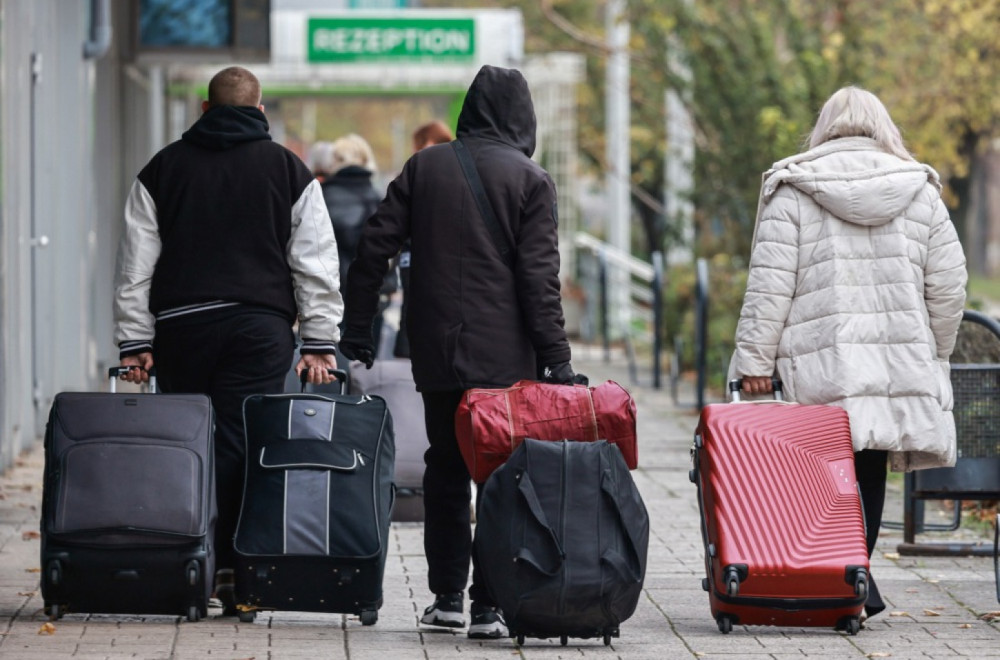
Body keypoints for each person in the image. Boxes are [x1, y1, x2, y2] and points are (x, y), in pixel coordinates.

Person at [338, 65, 585, 639]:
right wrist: (558, 360)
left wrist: (356, 328)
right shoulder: (531, 180)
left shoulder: (425, 167)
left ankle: (446, 597)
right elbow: (538, 282)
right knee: (502, 477)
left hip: (438, 355)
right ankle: (489, 605)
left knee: (445, 469)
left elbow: (374, 246)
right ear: (524, 118)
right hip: (506, 365)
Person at [729, 86, 968, 623]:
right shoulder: (920, 191)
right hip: (892, 364)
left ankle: (832, 578)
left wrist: (753, 367)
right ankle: (855, 582)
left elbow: (769, 291)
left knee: (817, 470)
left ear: (824, 128)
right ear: (885, 128)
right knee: (869, 465)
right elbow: (951, 288)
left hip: (818, 364)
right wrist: (933, 353)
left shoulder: (793, 189)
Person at [113, 65, 343, 613]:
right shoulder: (289, 169)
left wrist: (133, 342)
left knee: (189, 442)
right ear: (260, 112)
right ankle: (238, 573)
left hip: (182, 327)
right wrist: (318, 340)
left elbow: (135, 268)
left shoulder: (162, 169)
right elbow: (314, 263)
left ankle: (189, 563)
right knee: (244, 445)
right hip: (259, 330)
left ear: (204, 111)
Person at [319, 133, 396, 360]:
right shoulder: (379, 198)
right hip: (373, 296)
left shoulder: (320, 197)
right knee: (365, 365)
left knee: (329, 368)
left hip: (329, 295)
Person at [393, 120, 455, 359]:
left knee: (414, 312)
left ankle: (407, 355)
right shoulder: (462, 171)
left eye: (417, 145)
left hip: (418, 256)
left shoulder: (419, 172)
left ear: (428, 143)